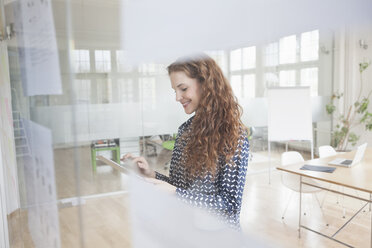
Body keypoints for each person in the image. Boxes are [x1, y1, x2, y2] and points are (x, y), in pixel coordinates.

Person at [122, 54, 249, 229]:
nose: (177, 97)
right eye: (175, 91)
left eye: (183, 88)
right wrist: (151, 174)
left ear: (205, 84)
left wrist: (177, 193)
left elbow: (229, 206)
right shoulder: (185, 130)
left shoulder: (233, 136)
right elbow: (178, 186)